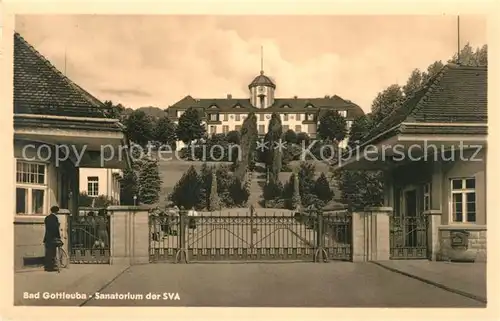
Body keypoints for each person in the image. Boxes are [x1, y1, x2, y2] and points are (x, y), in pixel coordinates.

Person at [43, 206, 62, 272]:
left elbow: (47, 227)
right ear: (56, 211)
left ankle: (47, 267)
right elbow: (55, 229)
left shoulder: (47, 218)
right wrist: (58, 237)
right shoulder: (55, 218)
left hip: (47, 237)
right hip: (53, 238)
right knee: (53, 253)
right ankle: (51, 267)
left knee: (48, 253)